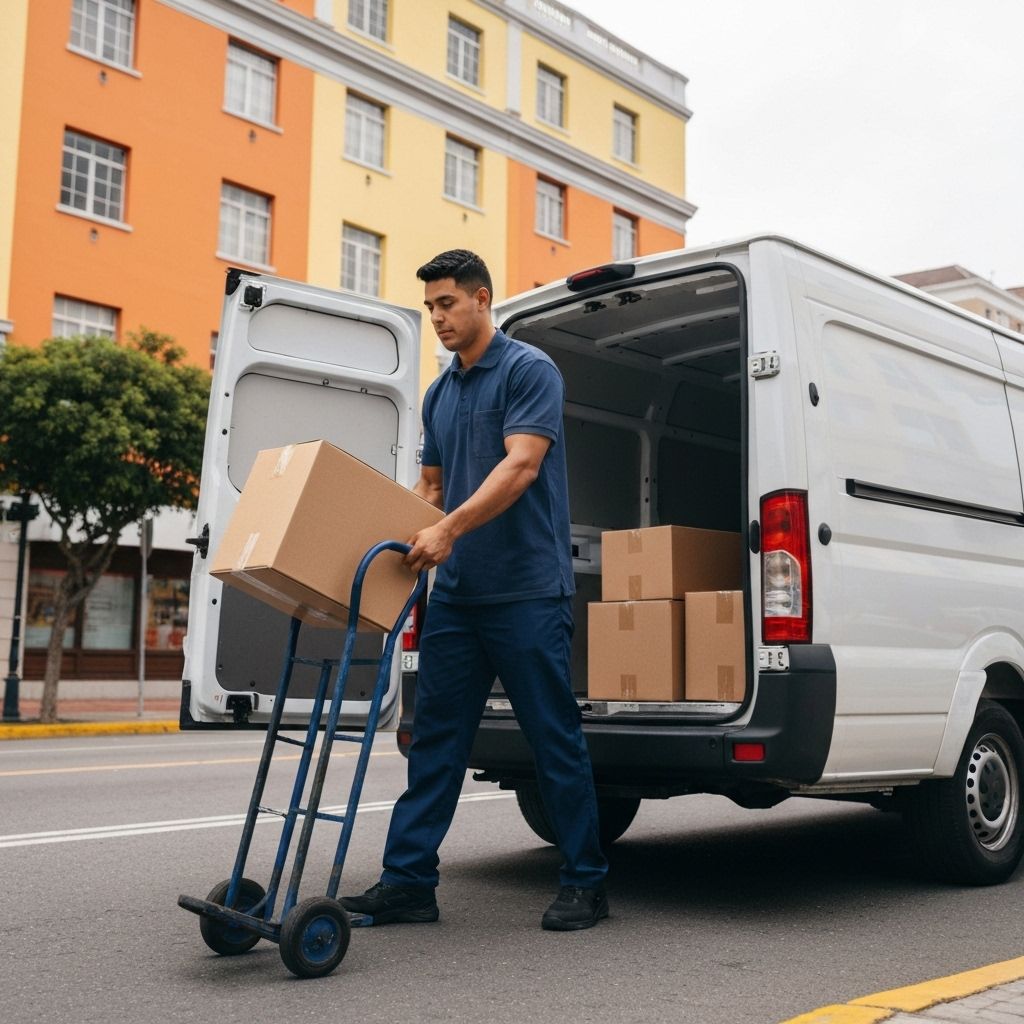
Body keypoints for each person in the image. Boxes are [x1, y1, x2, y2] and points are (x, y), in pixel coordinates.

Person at [341, 249, 608, 931]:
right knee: (436, 741)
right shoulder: (441, 392)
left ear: (482, 299)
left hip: (525, 591)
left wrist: (450, 531)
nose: (437, 318)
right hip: (456, 597)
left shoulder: (528, 371)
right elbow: (430, 489)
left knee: (553, 738)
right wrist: (386, 540)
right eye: (430, 307)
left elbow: (521, 466)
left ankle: (585, 880)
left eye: (447, 304)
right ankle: (408, 883)